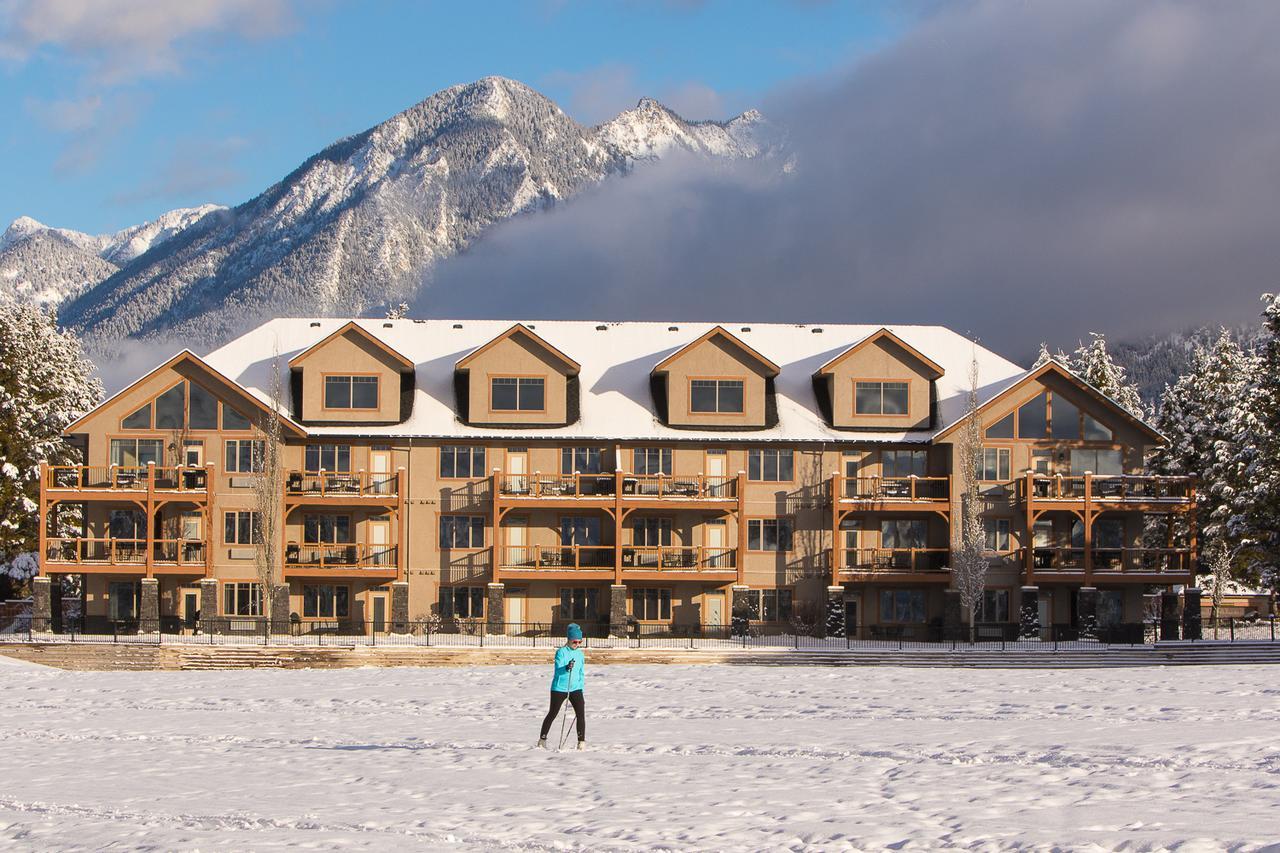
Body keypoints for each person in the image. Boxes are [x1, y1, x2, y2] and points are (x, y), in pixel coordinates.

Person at [537, 622, 586, 750]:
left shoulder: (580, 654)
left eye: (579, 642)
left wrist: (581, 687)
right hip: (559, 688)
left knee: (580, 714)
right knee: (553, 713)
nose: (577, 645)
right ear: (569, 640)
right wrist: (566, 667)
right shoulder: (561, 652)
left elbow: (581, 672)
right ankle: (542, 739)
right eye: (575, 642)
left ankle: (581, 742)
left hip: (576, 688)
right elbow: (558, 670)